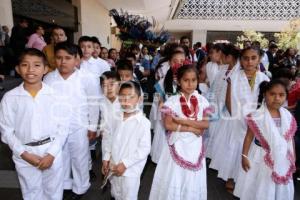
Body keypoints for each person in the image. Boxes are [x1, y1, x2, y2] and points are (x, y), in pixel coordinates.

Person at [0, 48, 69, 200]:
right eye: (25, 65)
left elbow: (63, 128)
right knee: (31, 193)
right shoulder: (10, 98)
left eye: (37, 65)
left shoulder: (56, 95)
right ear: (18, 69)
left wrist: (51, 154)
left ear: (46, 69)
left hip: (51, 150)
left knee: (54, 193)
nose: (31, 70)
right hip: (24, 151)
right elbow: (6, 132)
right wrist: (24, 154)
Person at [43, 42, 101, 199]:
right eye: (59, 58)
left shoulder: (87, 78)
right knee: (60, 157)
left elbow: (93, 104)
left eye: (68, 58)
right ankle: (65, 184)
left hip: (79, 126)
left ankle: (81, 187)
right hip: (55, 127)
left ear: (77, 60)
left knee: (79, 158)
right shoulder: (49, 78)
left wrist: (92, 127)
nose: (63, 62)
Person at [209, 46, 269, 192]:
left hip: (257, 120)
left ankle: (246, 180)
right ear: (240, 60)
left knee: (252, 150)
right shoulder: (234, 77)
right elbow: (229, 100)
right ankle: (231, 177)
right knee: (234, 148)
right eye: (245, 58)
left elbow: (267, 101)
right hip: (235, 119)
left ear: (259, 59)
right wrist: (237, 116)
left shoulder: (264, 78)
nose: (249, 62)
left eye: (253, 58)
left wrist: (256, 119)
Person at [149, 65, 210, 200]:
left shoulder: (203, 100)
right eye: (186, 80)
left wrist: (183, 120)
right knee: (174, 176)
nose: (190, 84)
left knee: (191, 179)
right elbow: (168, 124)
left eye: (193, 80)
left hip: (195, 146)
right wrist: (192, 128)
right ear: (179, 81)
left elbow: (205, 124)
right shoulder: (172, 101)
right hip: (177, 143)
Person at [234, 80, 296, 200]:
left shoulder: (287, 116)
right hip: (260, 156)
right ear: (265, 94)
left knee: (278, 187)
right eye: (272, 94)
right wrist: (244, 156)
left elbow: (290, 138)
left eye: (281, 95)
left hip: (282, 157)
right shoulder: (257, 115)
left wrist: (293, 156)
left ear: (286, 97)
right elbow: (249, 137)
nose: (277, 98)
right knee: (261, 185)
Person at [101, 81, 151, 200]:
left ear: (139, 99)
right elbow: (108, 137)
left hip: (130, 170)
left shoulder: (143, 123)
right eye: (122, 97)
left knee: (128, 196)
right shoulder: (115, 117)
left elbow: (144, 149)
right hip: (114, 165)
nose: (126, 101)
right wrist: (106, 158)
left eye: (131, 97)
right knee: (115, 193)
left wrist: (125, 164)